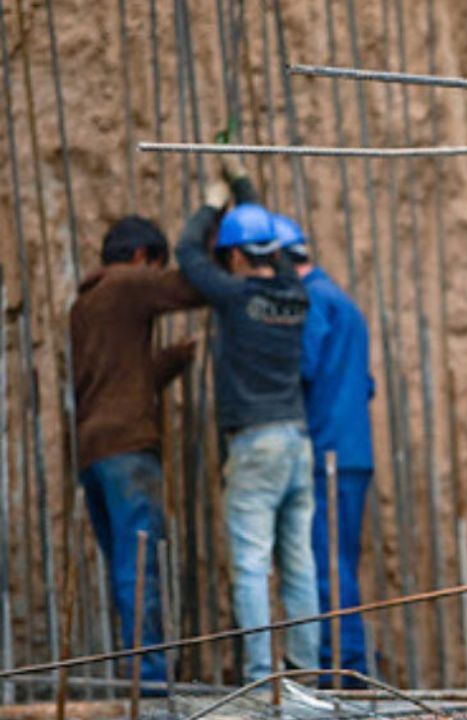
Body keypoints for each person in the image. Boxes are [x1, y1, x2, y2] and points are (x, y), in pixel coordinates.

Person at [175, 160, 318, 683]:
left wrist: (215, 202)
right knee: (299, 563)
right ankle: (304, 671)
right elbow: (269, 243)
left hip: (256, 443)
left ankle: (261, 676)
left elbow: (188, 254)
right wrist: (243, 187)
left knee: (253, 564)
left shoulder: (237, 298)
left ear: (235, 255)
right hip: (296, 440)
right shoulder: (294, 294)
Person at [71, 216, 203, 683]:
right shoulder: (127, 284)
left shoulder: (84, 303)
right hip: (127, 448)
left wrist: (173, 360)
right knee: (140, 564)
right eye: (155, 267)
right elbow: (190, 288)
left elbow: (121, 380)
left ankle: (139, 670)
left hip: (92, 451)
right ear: (143, 257)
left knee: (123, 564)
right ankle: (147, 676)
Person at [273, 213, 375, 682]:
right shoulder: (343, 302)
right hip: (352, 450)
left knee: (327, 565)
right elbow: (365, 384)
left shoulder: (311, 300)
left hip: (326, 453)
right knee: (340, 561)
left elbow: (303, 366)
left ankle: (343, 671)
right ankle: (347, 665)